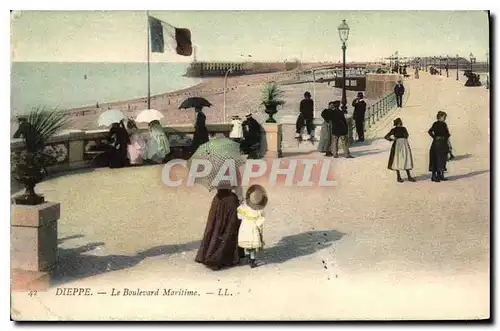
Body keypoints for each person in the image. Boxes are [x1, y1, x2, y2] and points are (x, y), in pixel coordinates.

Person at [195, 183, 245, 270]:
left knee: (215, 227)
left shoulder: (215, 171)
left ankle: (210, 254)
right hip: (230, 202)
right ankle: (224, 257)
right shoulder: (233, 171)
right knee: (229, 228)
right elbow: (238, 187)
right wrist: (240, 199)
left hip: (218, 201)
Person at [237, 185, 267, 268]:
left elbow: (239, 216)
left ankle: (248, 257)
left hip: (245, 226)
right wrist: (258, 226)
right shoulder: (260, 209)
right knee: (252, 245)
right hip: (253, 227)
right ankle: (252, 261)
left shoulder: (243, 207)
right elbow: (261, 219)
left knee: (246, 243)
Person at [384, 118, 416, 183]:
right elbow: (386, 136)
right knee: (397, 160)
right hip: (398, 145)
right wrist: (392, 139)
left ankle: (408, 176)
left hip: (404, 145)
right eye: (399, 122)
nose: (400, 122)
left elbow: (407, 135)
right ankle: (399, 177)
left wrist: (400, 139)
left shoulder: (403, 128)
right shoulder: (394, 129)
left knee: (406, 159)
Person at [428, 111, 451, 182]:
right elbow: (430, 131)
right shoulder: (435, 124)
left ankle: (441, 175)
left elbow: (447, 133)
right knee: (435, 159)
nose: (445, 118)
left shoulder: (444, 124)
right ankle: (434, 176)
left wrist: (446, 140)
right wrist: (435, 137)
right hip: (436, 144)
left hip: (443, 144)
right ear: (440, 117)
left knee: (442, 159)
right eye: (444, 117)